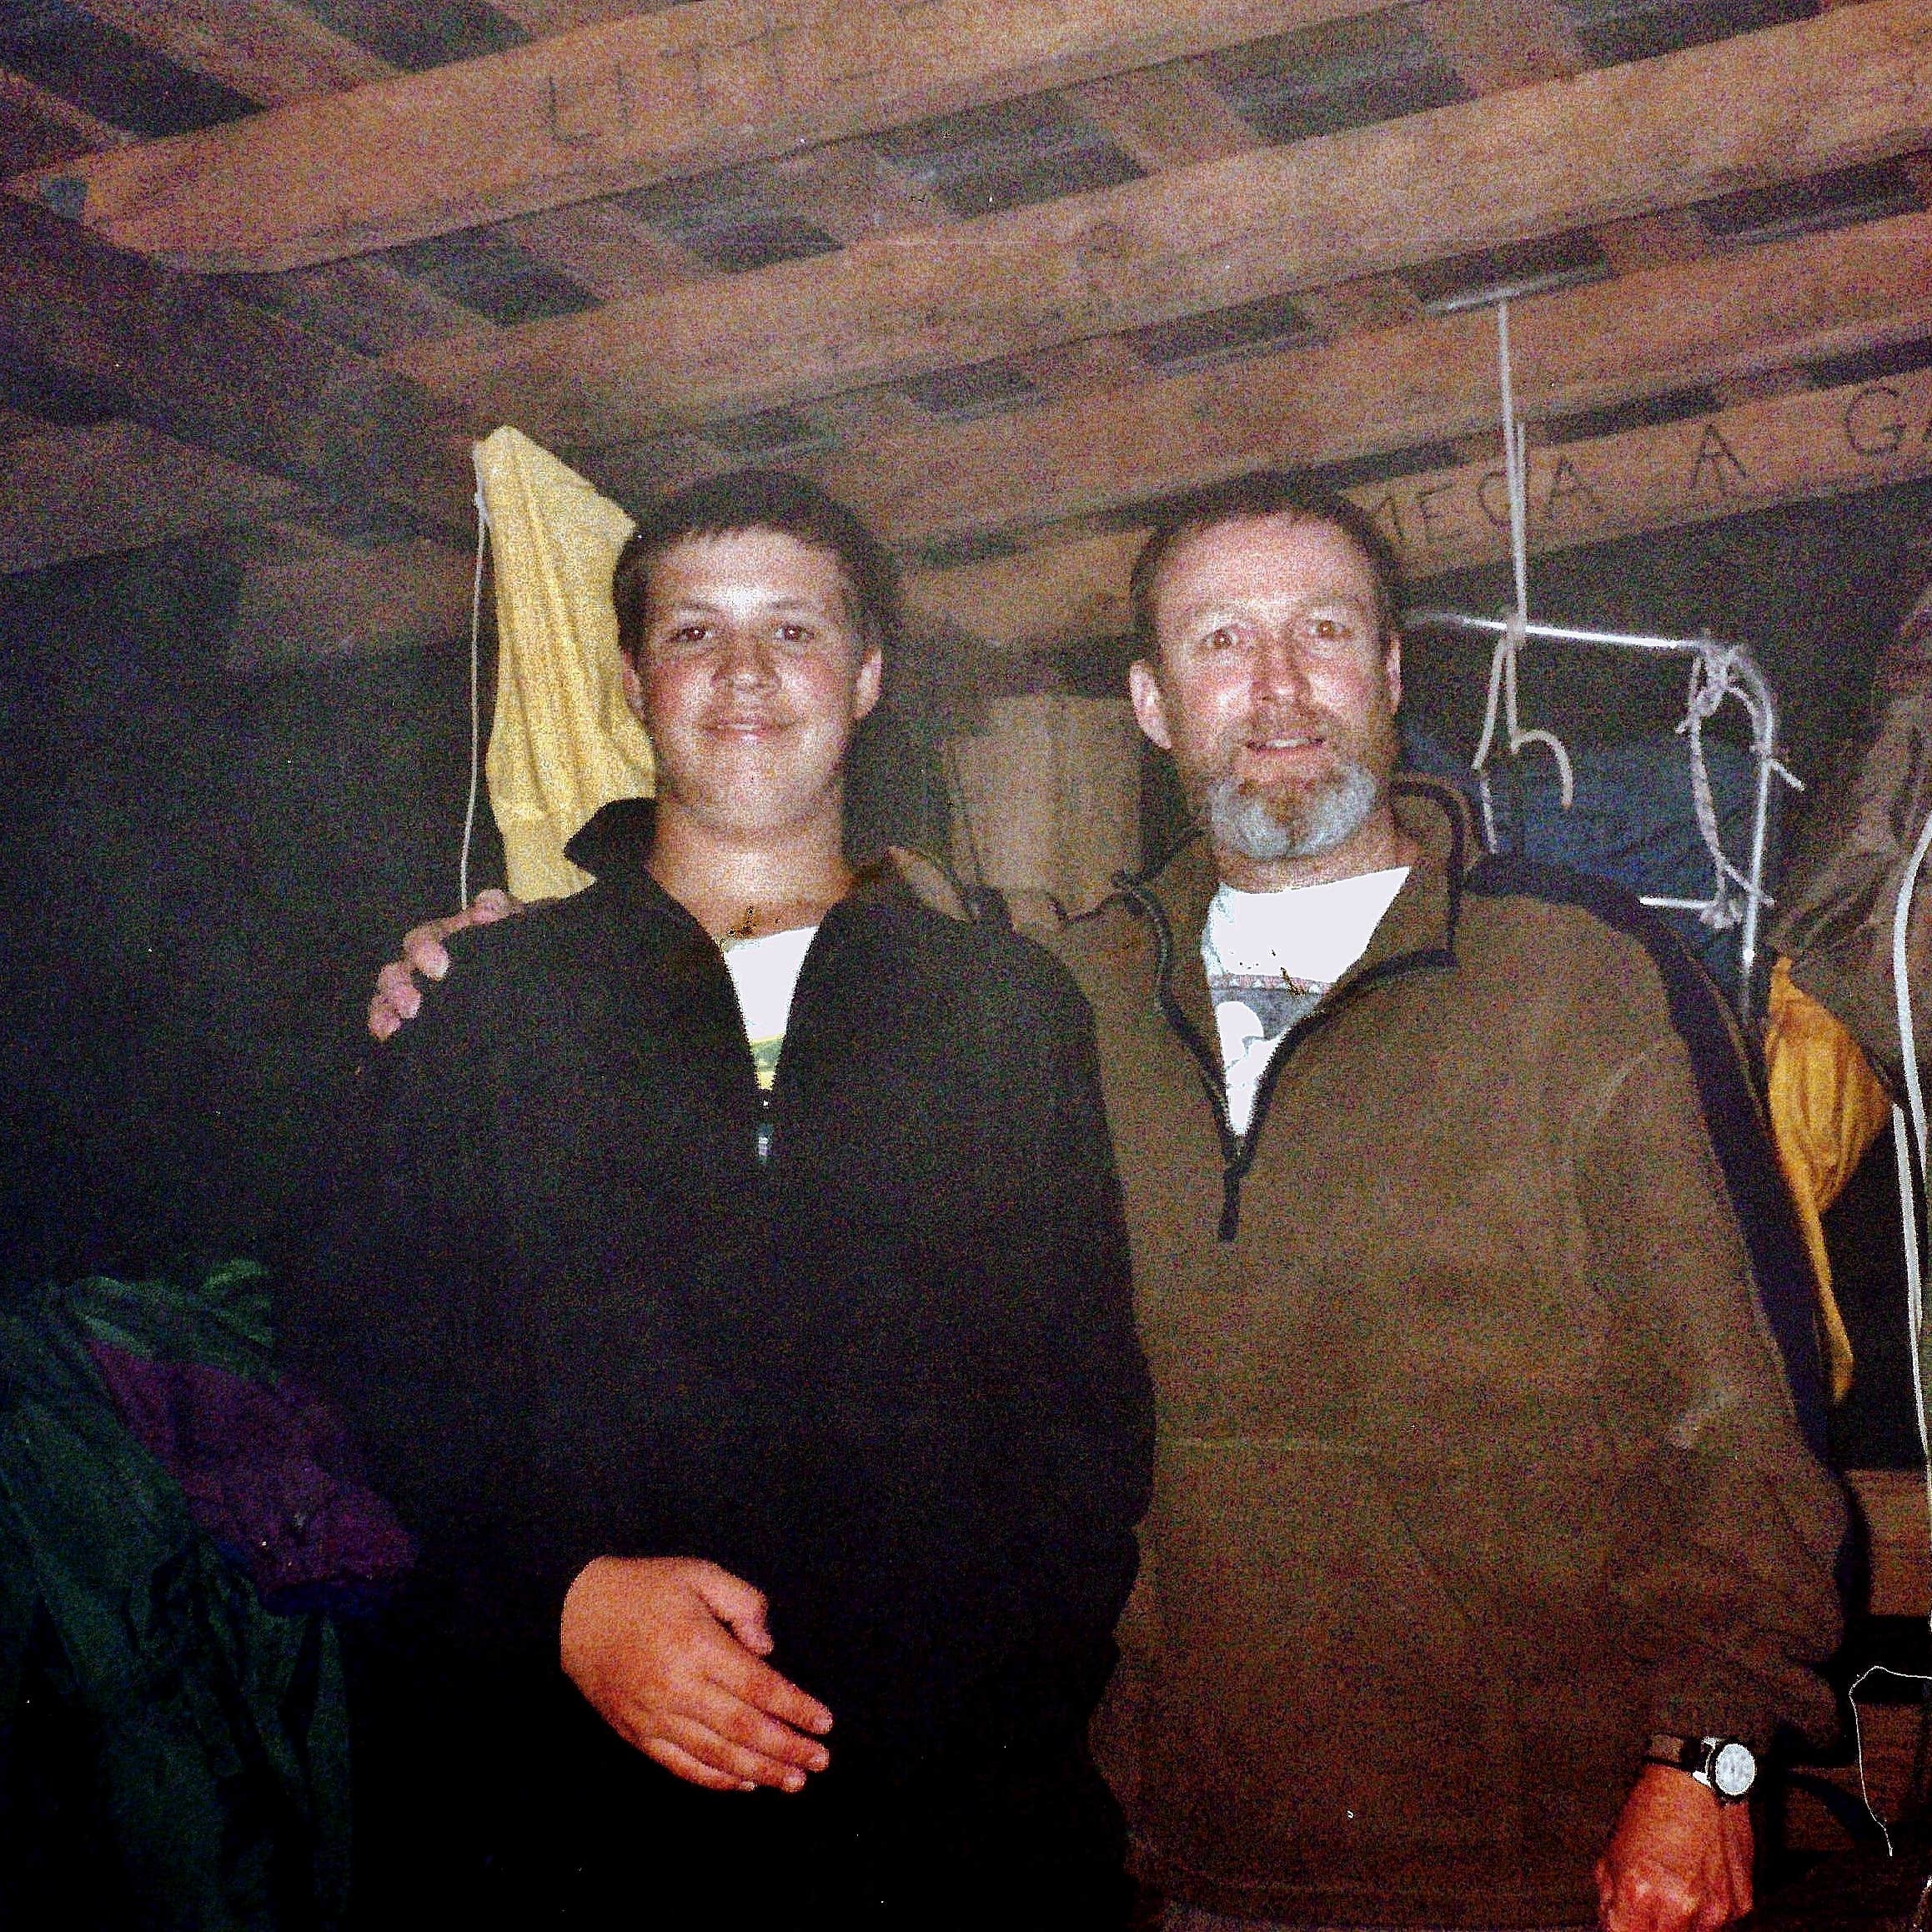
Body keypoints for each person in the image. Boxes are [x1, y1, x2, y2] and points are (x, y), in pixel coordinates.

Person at [374, 472, 1845, 1932]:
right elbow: (777, 943)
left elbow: (1736, 1409)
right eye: (1220, 642)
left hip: (1536, 1860)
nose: (1278, 686)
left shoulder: (1577, 981)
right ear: (1150, 702)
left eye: (1323, 631)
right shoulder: (1064, 992)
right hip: (1165, 1850)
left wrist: (1710, 1757)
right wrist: (485, 966)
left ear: (1392, 671)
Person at [304, 469, 1152, 1928]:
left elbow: (1079, 1418)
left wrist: (970, 1715)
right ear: (635, 681)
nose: (745, 671)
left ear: (867, 676)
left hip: (935, 1829)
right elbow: (359, 1374)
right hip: (563, 1816)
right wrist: (556, 1599)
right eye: (694, 631)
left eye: (795, 630)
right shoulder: (482, 1006)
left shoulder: (1006, 1009)